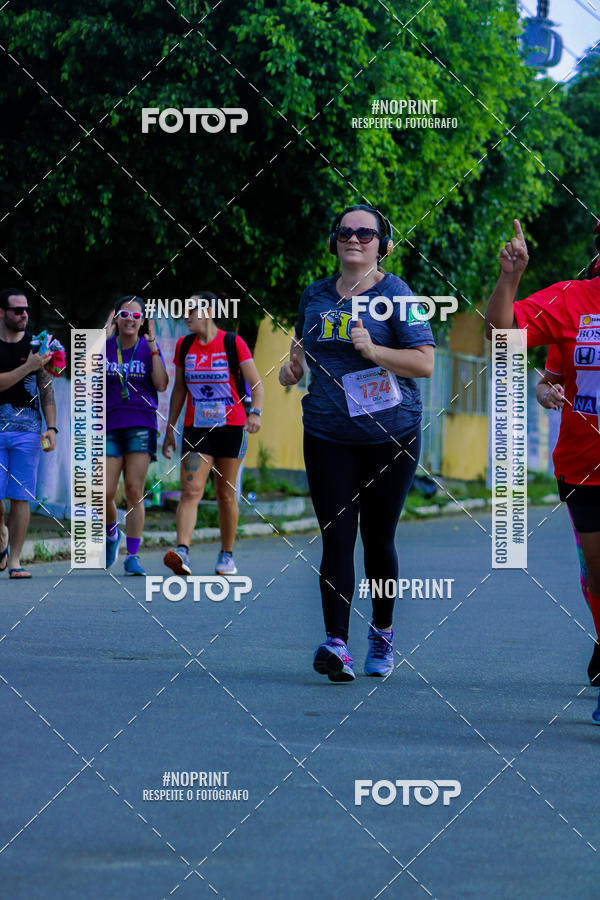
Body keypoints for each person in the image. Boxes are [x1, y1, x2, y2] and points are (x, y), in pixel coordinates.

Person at [279, 204, 435, 681]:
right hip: (328, 434)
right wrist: (292, 370)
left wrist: (375, 352)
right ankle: (336, 644)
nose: (354, 239)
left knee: (378, 539)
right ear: (334, 240)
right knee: (337, 538)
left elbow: (424, 362)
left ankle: (382, 634)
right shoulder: (316, 295)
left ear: (382, 245)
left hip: (391, 435)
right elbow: (300, 354)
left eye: (366, 233)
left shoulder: (398, 295)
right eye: (346, 231)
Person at [485, 219, 600, 722]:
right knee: (598, 571)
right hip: (585, 465)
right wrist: (510, 278)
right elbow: (502, 337)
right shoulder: (574, 300)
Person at [162, 291, 263, 576]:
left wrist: (256, 413)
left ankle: (226, 555)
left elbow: (256, 385)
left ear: (207, 311)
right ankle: (182, 552)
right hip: (197, 426)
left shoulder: (233, 342)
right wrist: (170, 429)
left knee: (225, 494)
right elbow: (179, 389)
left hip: (231, 427)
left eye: (191, 309)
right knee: (190, 490)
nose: (187, 315)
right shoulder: (184, 345)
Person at [536, 345, 599, 684]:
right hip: (583, 465)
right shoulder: (573, 319)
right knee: (593, 570)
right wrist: (548, 394)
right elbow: (546, 383)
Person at [104, 295, 168, 575]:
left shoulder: (147, 348)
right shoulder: (104, 348)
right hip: (108, 425)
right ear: (115, 318)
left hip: (141, 424)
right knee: (103, 493)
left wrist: (153, 345)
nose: (130, 320)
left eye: (135, 316)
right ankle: (110, 534)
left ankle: (132, 555)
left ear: (143, 321)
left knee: (133, 490)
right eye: (124, 315)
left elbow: (162, 384)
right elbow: (82, 377)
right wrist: (102, 338)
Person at [0, 288, 57, 579]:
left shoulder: (36, 344)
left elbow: (46, 388)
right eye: (17, 310)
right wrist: (29, 366)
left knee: (20, 498)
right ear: (1, 313)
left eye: (26, 310)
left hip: (29, 432)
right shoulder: (27, 355)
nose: (24, 314)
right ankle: (1, 537)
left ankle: (15, 561)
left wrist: (52, 427)